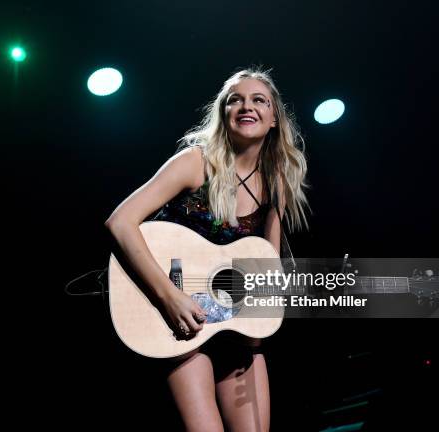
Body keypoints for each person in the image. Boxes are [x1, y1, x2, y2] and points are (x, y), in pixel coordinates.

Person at [105, 67, 309, 431]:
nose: (247, 106)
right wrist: (171, 297)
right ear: (224, 113)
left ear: (274, 117)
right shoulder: (196, 162)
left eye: (258, 100)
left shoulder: (277, 183)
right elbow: (120, 221)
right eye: (236, 99)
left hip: (233, 330)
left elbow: (266, 271)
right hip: (178, 324)